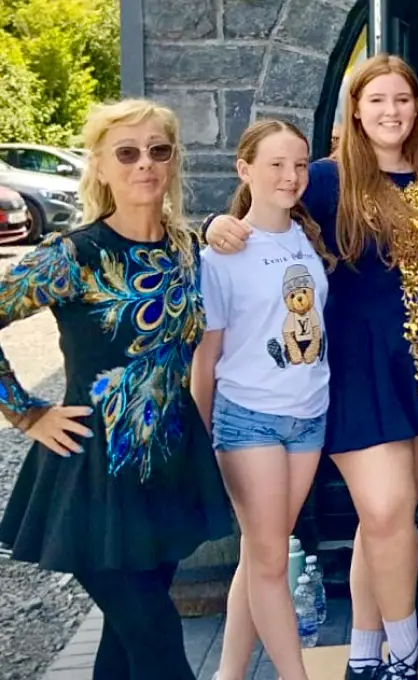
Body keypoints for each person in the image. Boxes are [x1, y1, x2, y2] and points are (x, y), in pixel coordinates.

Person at [204, 54, 418, 680]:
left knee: (387, 521)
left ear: (417, 108)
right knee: (385, 511)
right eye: (376, 99)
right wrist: (217, 224)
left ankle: (362, 653)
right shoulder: (325, 181)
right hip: (357, 369)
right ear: (355, 109)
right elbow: (260, 217)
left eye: (402, 99)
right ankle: (405, 656)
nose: (391, 111)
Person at [0, 99, 231, 680]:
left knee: (126, 645)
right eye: (126, 153)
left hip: (168, 465)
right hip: (96, 474)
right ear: (100, 166)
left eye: (158, 150)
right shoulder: (73, 255)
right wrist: (26, 413)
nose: (144, 164)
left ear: (173, 161)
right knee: (157, 639)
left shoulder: (184, 249)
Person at [191, 119, 337, 680]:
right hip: (248, 418)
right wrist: (201, 437)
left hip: (308, 416)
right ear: (244, 169)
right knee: (272, 561)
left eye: (299, 164)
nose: (291, 176)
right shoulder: (222, 253)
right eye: (276, 164)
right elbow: (206, 355)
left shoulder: (306, 235)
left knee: (261, 555)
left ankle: (228, 673)